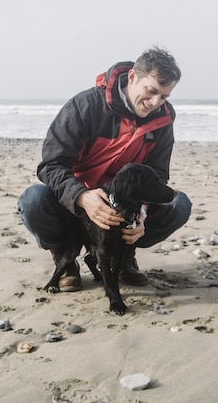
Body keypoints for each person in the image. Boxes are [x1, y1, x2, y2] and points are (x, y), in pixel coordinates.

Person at [17, 46, 191, 291]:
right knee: (33, 200)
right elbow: (51, 165)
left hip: (123, 211)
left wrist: (141, 213)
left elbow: (158, 176)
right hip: (75, 206)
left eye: (164, 97)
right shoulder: (85, 105)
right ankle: (65, 258)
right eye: (151, 92)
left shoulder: (162, 119)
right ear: (132, 77)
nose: (155, 103)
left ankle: (125, 256)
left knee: (178, 204)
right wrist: (82, 197)